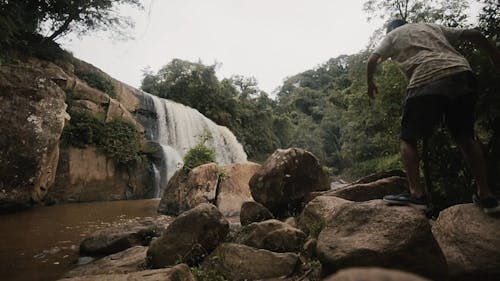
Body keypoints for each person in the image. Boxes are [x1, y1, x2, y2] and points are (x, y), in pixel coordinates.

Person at [366, 19, 500, 214]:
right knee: (465, 136)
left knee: (408, 139)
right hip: (461, 74)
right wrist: (495, 57)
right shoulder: (431, 27)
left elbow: (372, 60)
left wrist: (370, 84)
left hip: (425, 78)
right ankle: (487, 196)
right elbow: (475, 34)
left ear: (391, 29)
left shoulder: (393, 35)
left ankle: (416, 194)